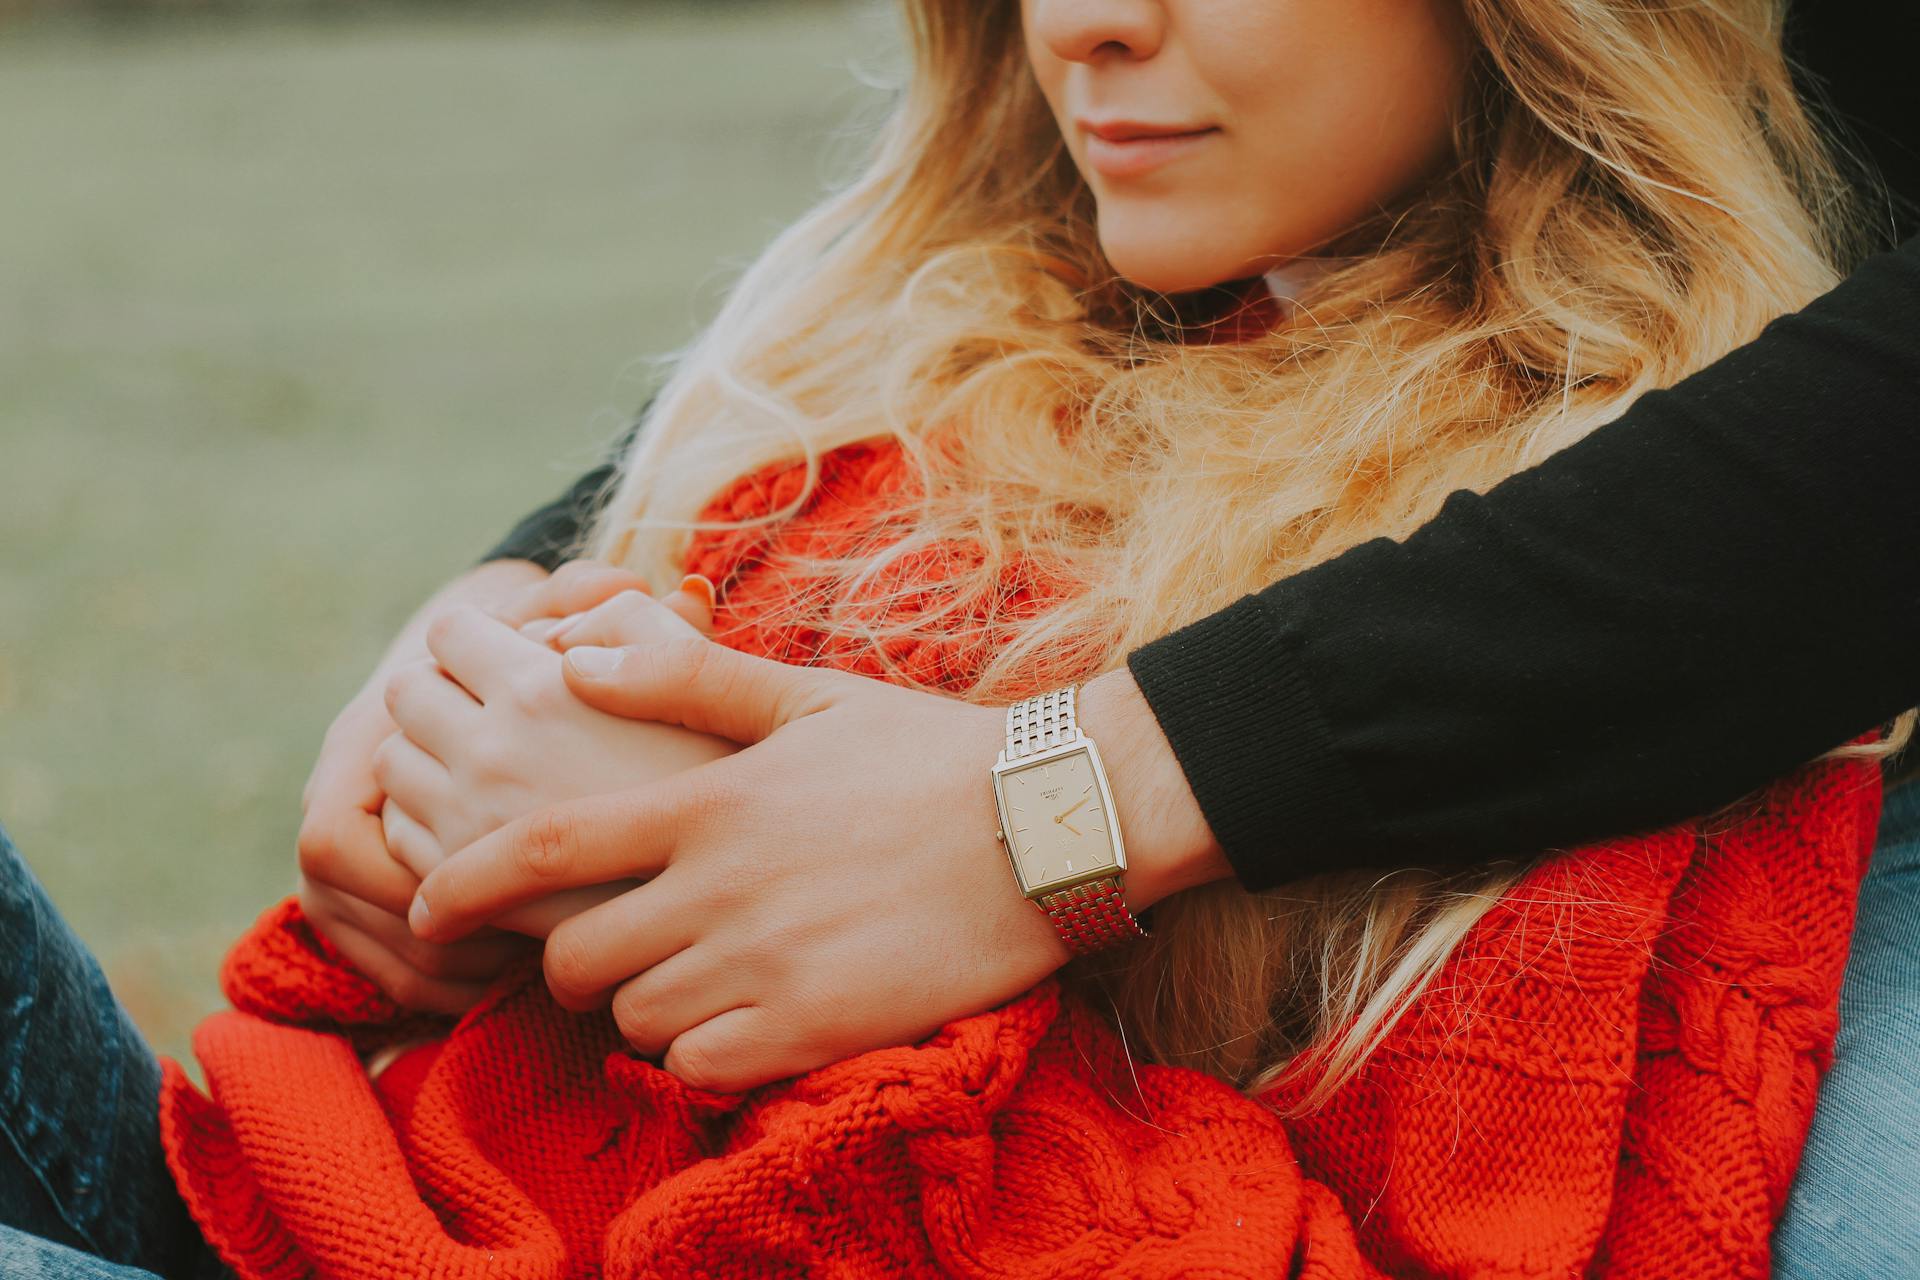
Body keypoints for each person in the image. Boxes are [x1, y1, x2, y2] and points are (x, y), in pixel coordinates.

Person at [1, 1, 1910, 1277]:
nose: (1083, 18)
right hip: (268, 1203)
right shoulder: (915, 355)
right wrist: (483, 694)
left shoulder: (1602, 582)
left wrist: (857, 938)